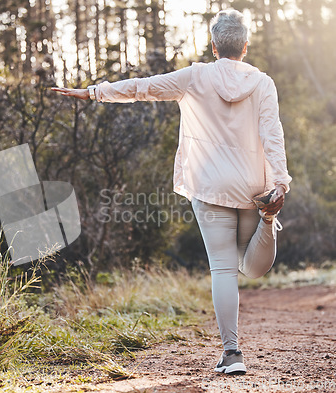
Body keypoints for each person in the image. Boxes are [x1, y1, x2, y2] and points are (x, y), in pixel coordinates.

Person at [52, 9, 291, 375]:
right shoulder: (263, 83)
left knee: (225, 270)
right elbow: (272, 136)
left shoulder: (195, 77)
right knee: (252, 268)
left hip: (210, 188)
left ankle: (232, 354)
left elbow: (143, 87)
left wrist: (94, 92)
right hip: (252, 188)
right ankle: (269, 217)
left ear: (214, 46)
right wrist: (280, 183)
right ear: (245, 46)